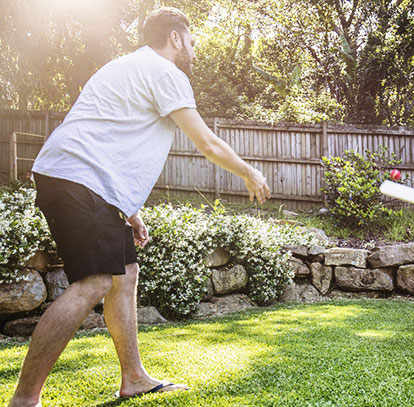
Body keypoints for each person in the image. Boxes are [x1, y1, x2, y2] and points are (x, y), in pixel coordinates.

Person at [8, 7, 270, 407]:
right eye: (193, 42)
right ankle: (24, 399)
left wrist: (130, 211)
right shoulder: (166, 72)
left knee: (125, 273)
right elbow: (207, 144)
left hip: (79, 178)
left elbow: (112, 133)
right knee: (94, 282)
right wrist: (250, 172)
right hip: (79, 179)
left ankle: (133, 377)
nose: (195, 52)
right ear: (176, 38)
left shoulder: (127, 66)